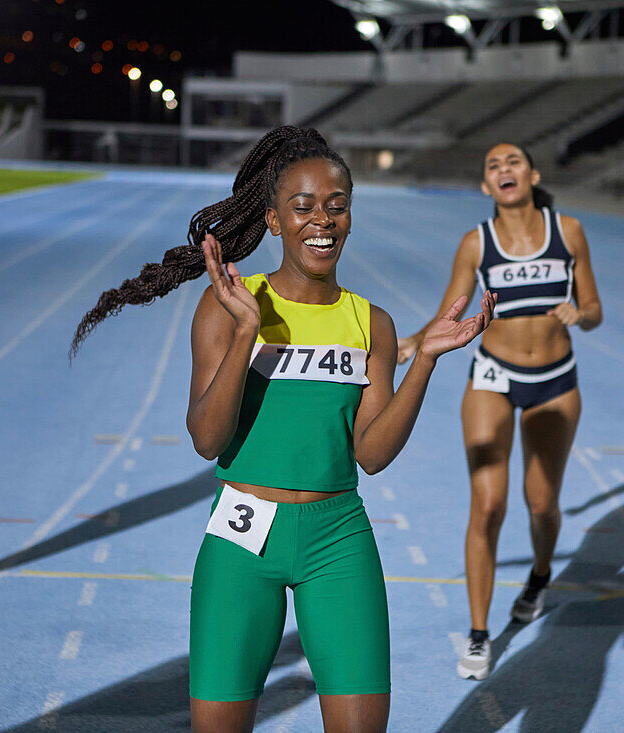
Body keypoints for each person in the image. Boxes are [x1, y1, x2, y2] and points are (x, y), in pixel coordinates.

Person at [70, 126, 493, 732]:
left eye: (336, 206)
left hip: (337, 540)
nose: (321, 219)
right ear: (273, 220)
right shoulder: (230, 303)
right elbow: (208, 440)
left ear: (350, 216)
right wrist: (247, 333)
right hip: (243, 538)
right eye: (303, 206)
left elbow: (372, 454)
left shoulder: (372, 323)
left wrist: (423, 359)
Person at [397, 143, 601, 680]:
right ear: (486, 187)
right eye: (492, 166)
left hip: (556, 383)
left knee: (541, 504)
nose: (503, 170)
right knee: (488, 504)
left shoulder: (569, 231)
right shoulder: (476, 243)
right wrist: (409, 344)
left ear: (533, 174)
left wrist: (580, 313)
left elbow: (596, 309)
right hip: (493, 376)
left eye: (513, 162)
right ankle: (480, 634)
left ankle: (538, 575)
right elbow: (451, 312)